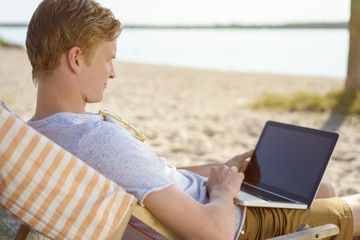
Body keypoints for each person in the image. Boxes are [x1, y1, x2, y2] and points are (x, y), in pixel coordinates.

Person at [26, 0, 360, 239]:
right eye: (108, 60)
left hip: (203, 199)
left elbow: (145, 177)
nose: (112, 73)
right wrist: (222, 192)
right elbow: (214, 233)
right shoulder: (97, 140)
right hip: (233, 222)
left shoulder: (37, 137)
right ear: (76, 58)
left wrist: (217, 170)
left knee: (324, 189)